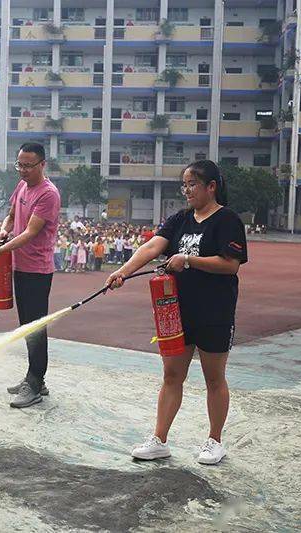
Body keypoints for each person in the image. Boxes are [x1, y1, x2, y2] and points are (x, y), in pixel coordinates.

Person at [106, 160, 247, 465]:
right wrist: (123, 271)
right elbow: (151, 248)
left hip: (215, 311)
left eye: (192, 184)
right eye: (183, 185)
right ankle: (160, 439)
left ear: (212, 187)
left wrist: (189, 260)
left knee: (214, 378)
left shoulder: (227, 221)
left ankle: (214, 441)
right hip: (176, 312)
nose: (186, 191)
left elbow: (230, 264)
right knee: (171, 375)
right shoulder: (180, 219)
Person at [0, 142, 61, 409]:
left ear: (42, 164)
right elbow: (11, 216)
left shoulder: (48, 194)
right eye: (20, 165)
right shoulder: (21, 186)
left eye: (28, 166)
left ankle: (35, 383)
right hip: (19, 266)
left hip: (37, 270)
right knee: (26, 327)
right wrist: (3, 231)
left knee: (36, 329)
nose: (23, 170)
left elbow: (29, 233)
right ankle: (36, 379)